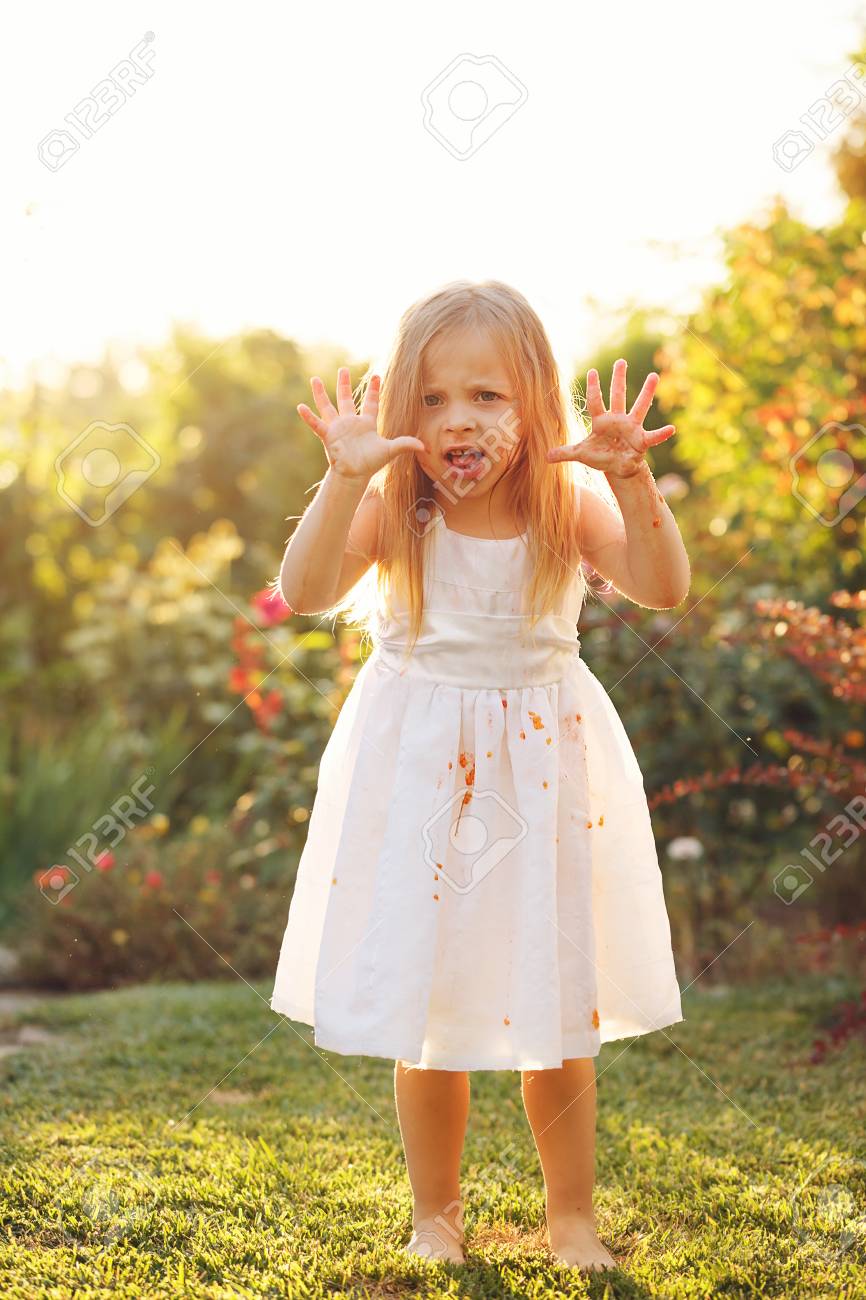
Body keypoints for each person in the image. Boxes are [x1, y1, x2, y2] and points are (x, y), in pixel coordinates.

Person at [269, 279, 690, 1273]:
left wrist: (631, 479)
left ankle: (572, 1219)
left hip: (545, 771)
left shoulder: (570, 502)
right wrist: (339, 479)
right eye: (431, 399)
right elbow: (303, 591)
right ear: (397, 411)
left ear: (535, 402)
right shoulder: (393, 508)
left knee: (559, 998)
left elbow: (664, 587)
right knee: (430, 998)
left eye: (487, 397)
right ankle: (435, 1215)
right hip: (421, 771)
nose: (458, 419)